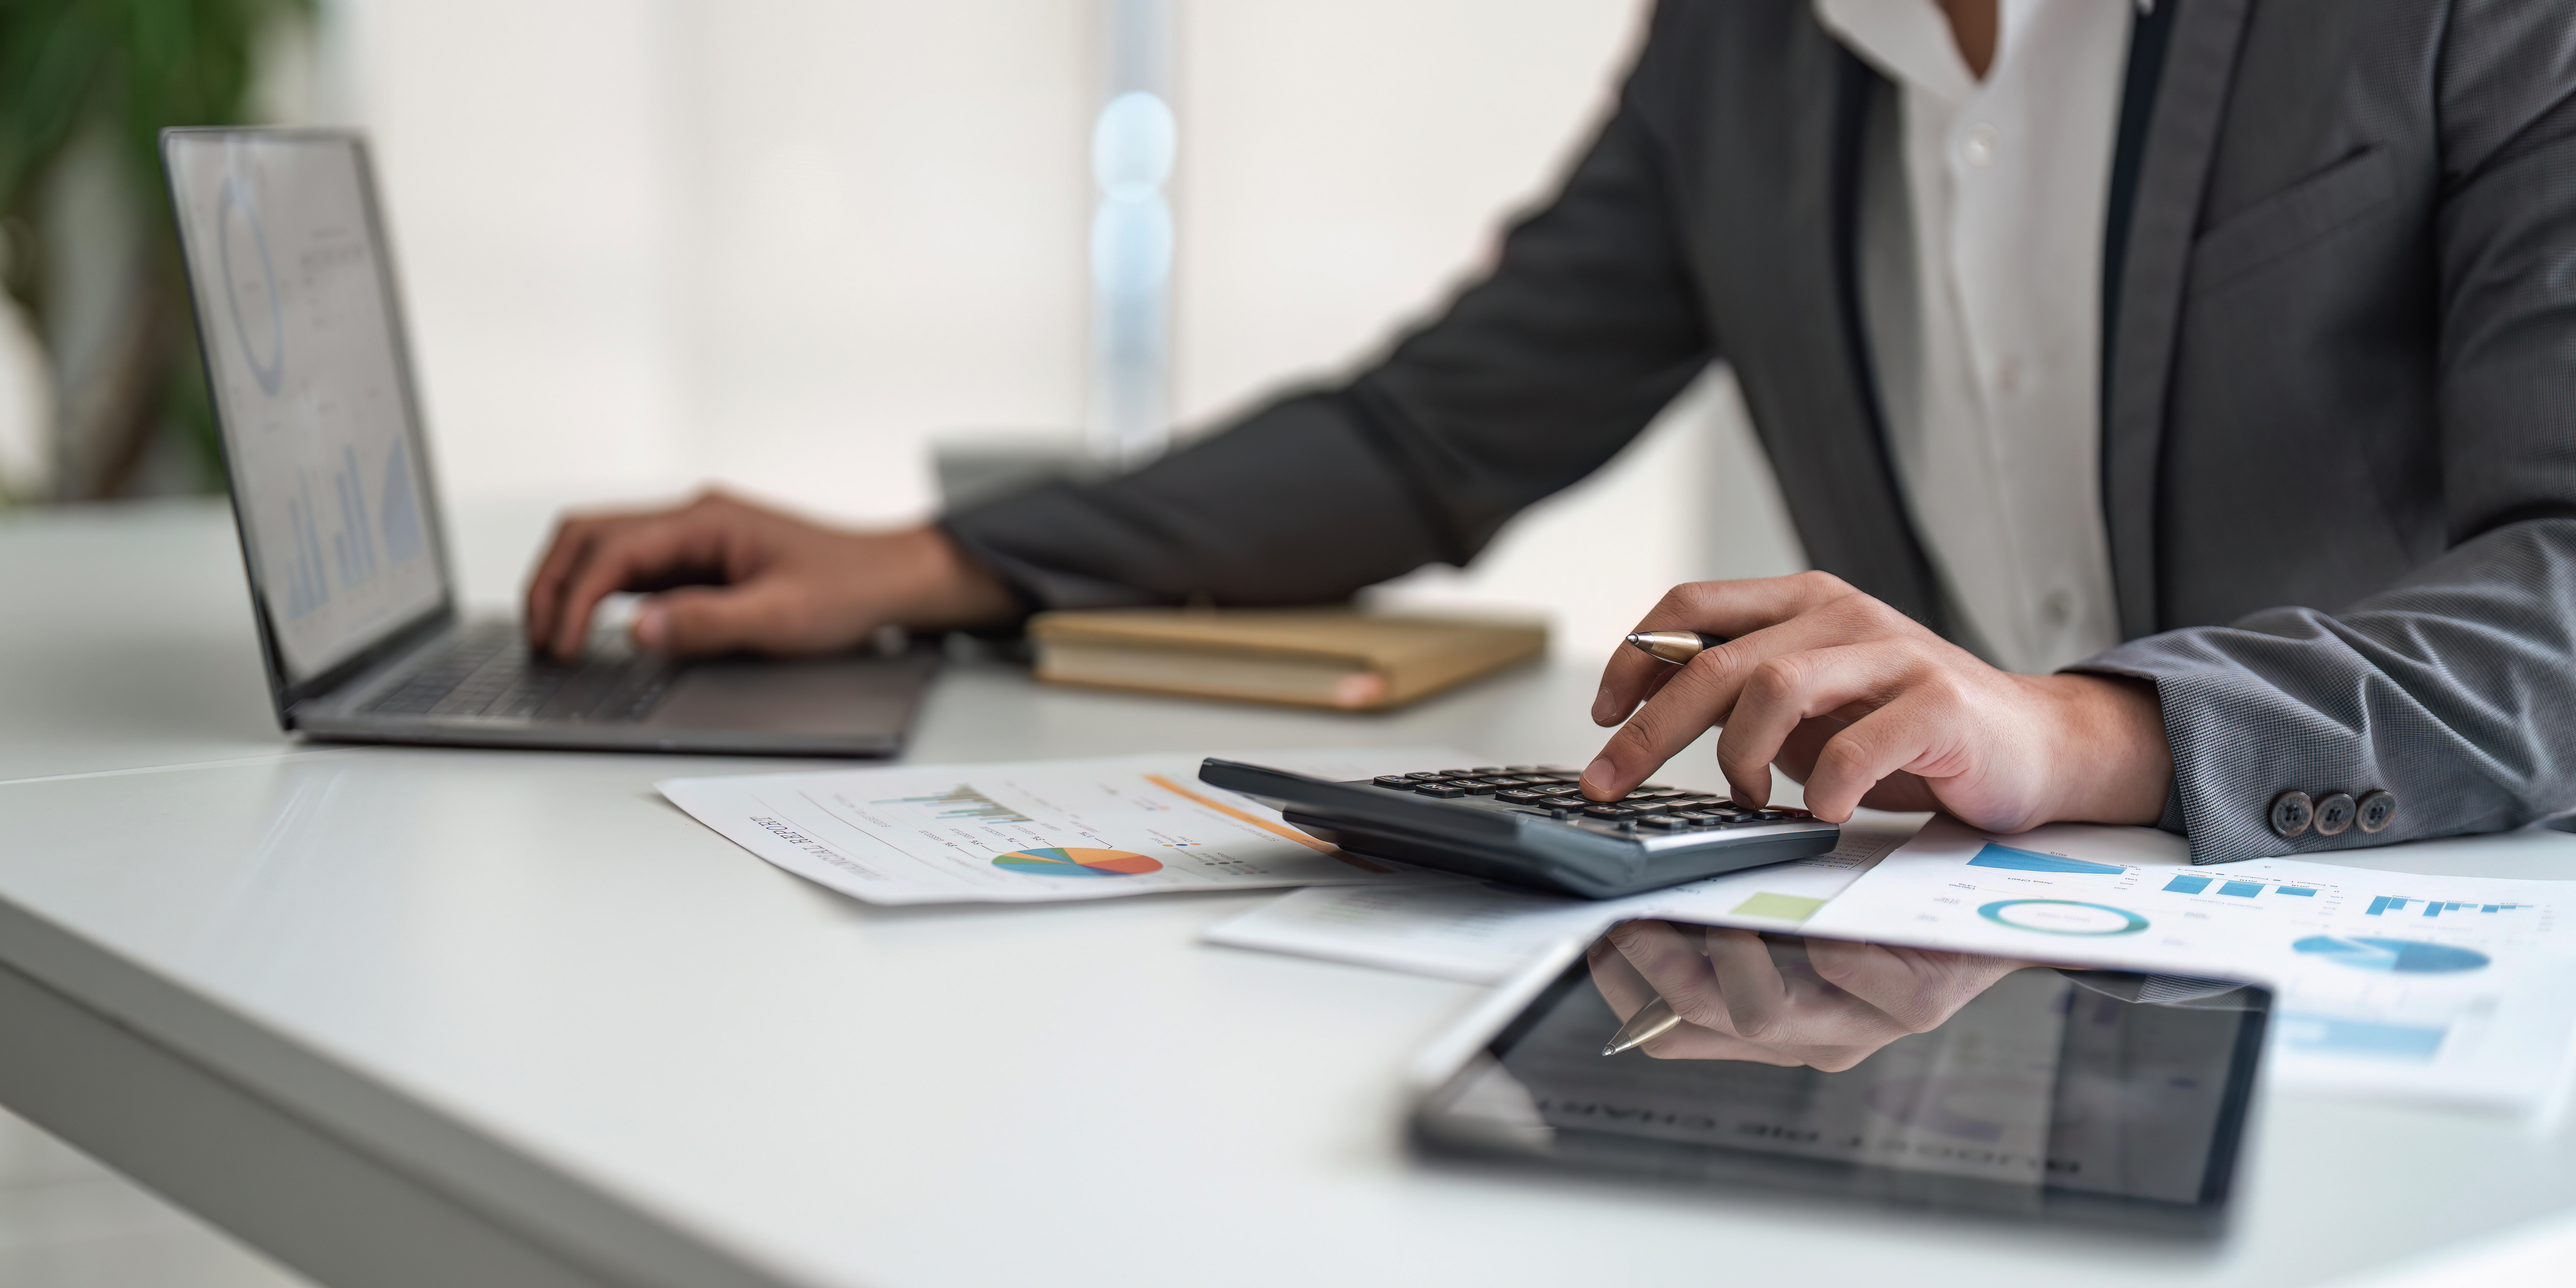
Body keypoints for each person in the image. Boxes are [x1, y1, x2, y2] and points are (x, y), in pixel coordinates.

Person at [525, 0, 2576, 865]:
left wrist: (2083, 728)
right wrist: (940, 562)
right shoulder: (1751, 44)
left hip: (2413, 972)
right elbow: (1442, 428)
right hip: (1961, 979)